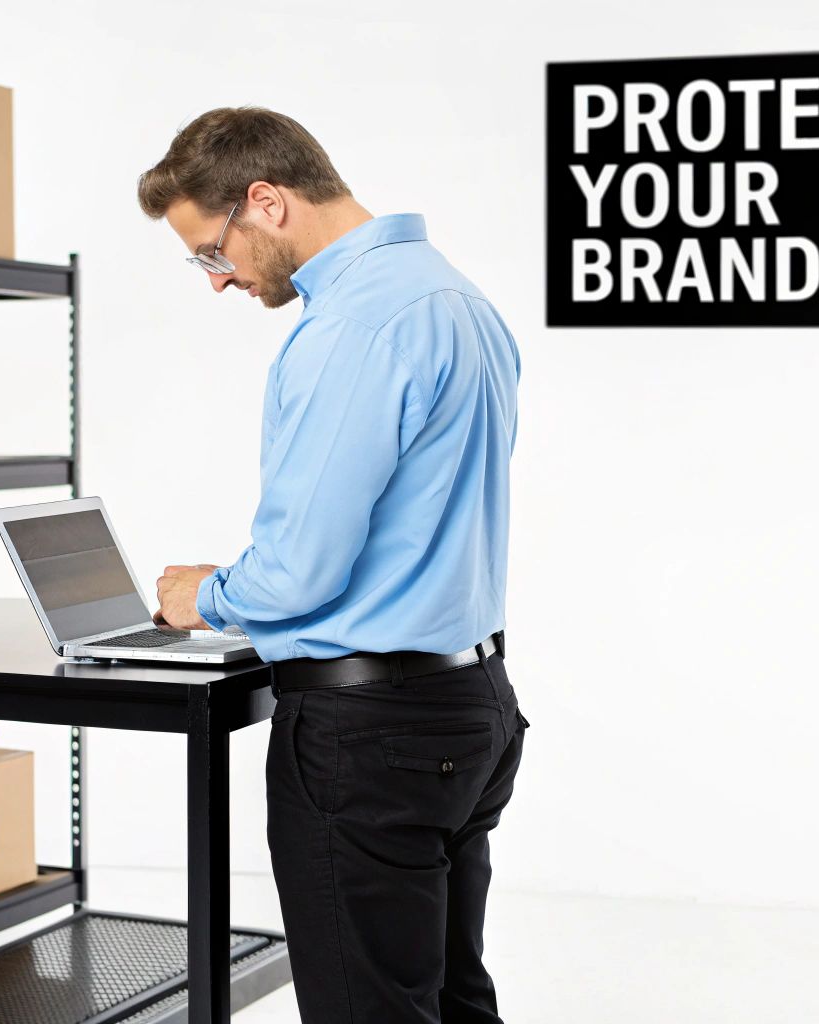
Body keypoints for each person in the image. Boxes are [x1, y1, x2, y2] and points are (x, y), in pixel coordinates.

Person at [136, 106, 529, 1024]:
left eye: (210, 251)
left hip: (371, 733)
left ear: (265, 201)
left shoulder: (354, 328)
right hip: (471, 708)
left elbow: (300, 573)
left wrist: (206, 596)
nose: (218, 279)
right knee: (451, 999)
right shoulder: (456, 298)